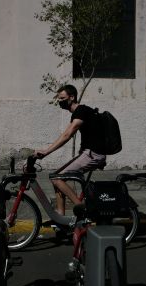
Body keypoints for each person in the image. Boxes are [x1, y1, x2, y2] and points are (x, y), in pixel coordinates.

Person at [33, 84, 107, 215]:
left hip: (93, 154)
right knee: (56, 177)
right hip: (89, 153)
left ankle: (83, 210)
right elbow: (66, 133)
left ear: (72, 97)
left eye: (62, 98)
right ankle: (60, 217)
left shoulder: (81, 111)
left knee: (57, 178)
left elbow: (67, 135)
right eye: (59, 99)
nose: (60, 101)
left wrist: (46, 151)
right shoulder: (80, 112)